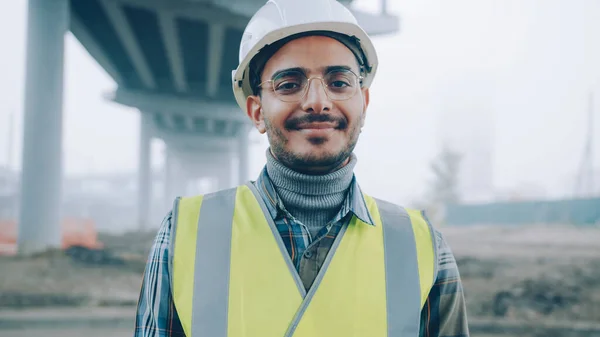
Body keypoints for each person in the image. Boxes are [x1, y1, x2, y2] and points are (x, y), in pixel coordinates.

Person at [134, 0, 469, 336]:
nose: (317, 102)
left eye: (339, 82)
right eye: (289, 84)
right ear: (256, 111)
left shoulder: (422, 247)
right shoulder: (184, 234)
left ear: (363, 104)